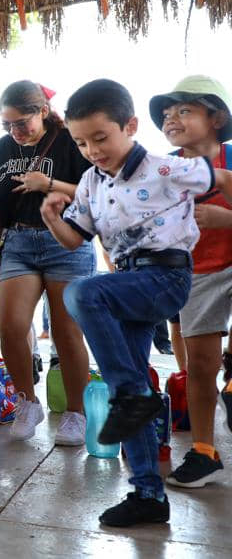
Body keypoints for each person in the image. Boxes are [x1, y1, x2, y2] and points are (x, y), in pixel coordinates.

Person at [45, 78, 232, 527]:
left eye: (101, 138)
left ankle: (131, 396)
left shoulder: (165, 167)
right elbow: (75, 239)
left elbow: (222, 177)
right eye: (81, 142)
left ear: (129, 126)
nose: (92, 150)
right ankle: (148, 493)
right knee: (129, 389)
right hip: (127, 284)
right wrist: (52, 217)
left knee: (81, 291)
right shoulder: (90, 182)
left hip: (167, 275)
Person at [0, 80, 95, 445]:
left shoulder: (70, 143)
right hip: (18, 242)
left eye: (21, 122)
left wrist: (47, 184)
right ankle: (28, 401)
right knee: (11, 324)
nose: (15, 131)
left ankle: (77, 411)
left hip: (68, 241)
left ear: (42, 112)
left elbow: (95, 192)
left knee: (66, 331)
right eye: (7, 125)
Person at [148, 75, 232, 487]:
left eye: (184, 110)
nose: (171, 119)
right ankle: (204, 451)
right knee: (200, 365)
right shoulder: (163, 168)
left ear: (216, 118)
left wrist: (226, 219)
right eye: (166, 114)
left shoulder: (231, 160)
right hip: (197, 272)